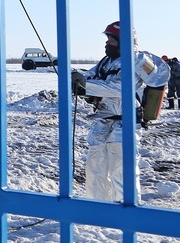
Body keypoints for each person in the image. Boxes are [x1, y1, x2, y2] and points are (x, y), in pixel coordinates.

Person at [71, 21, 169, 202]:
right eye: (107, 38)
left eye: (112, 39)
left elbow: (118, 88)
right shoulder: (106, 62)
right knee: (94, 169)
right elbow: (90, 76)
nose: (107, 42)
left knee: (122, 172)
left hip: (125, 124)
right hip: (102, 121)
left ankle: (127, 211)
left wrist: (85, 86)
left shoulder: (136, 61)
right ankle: (96, 208)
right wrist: (76, 77)